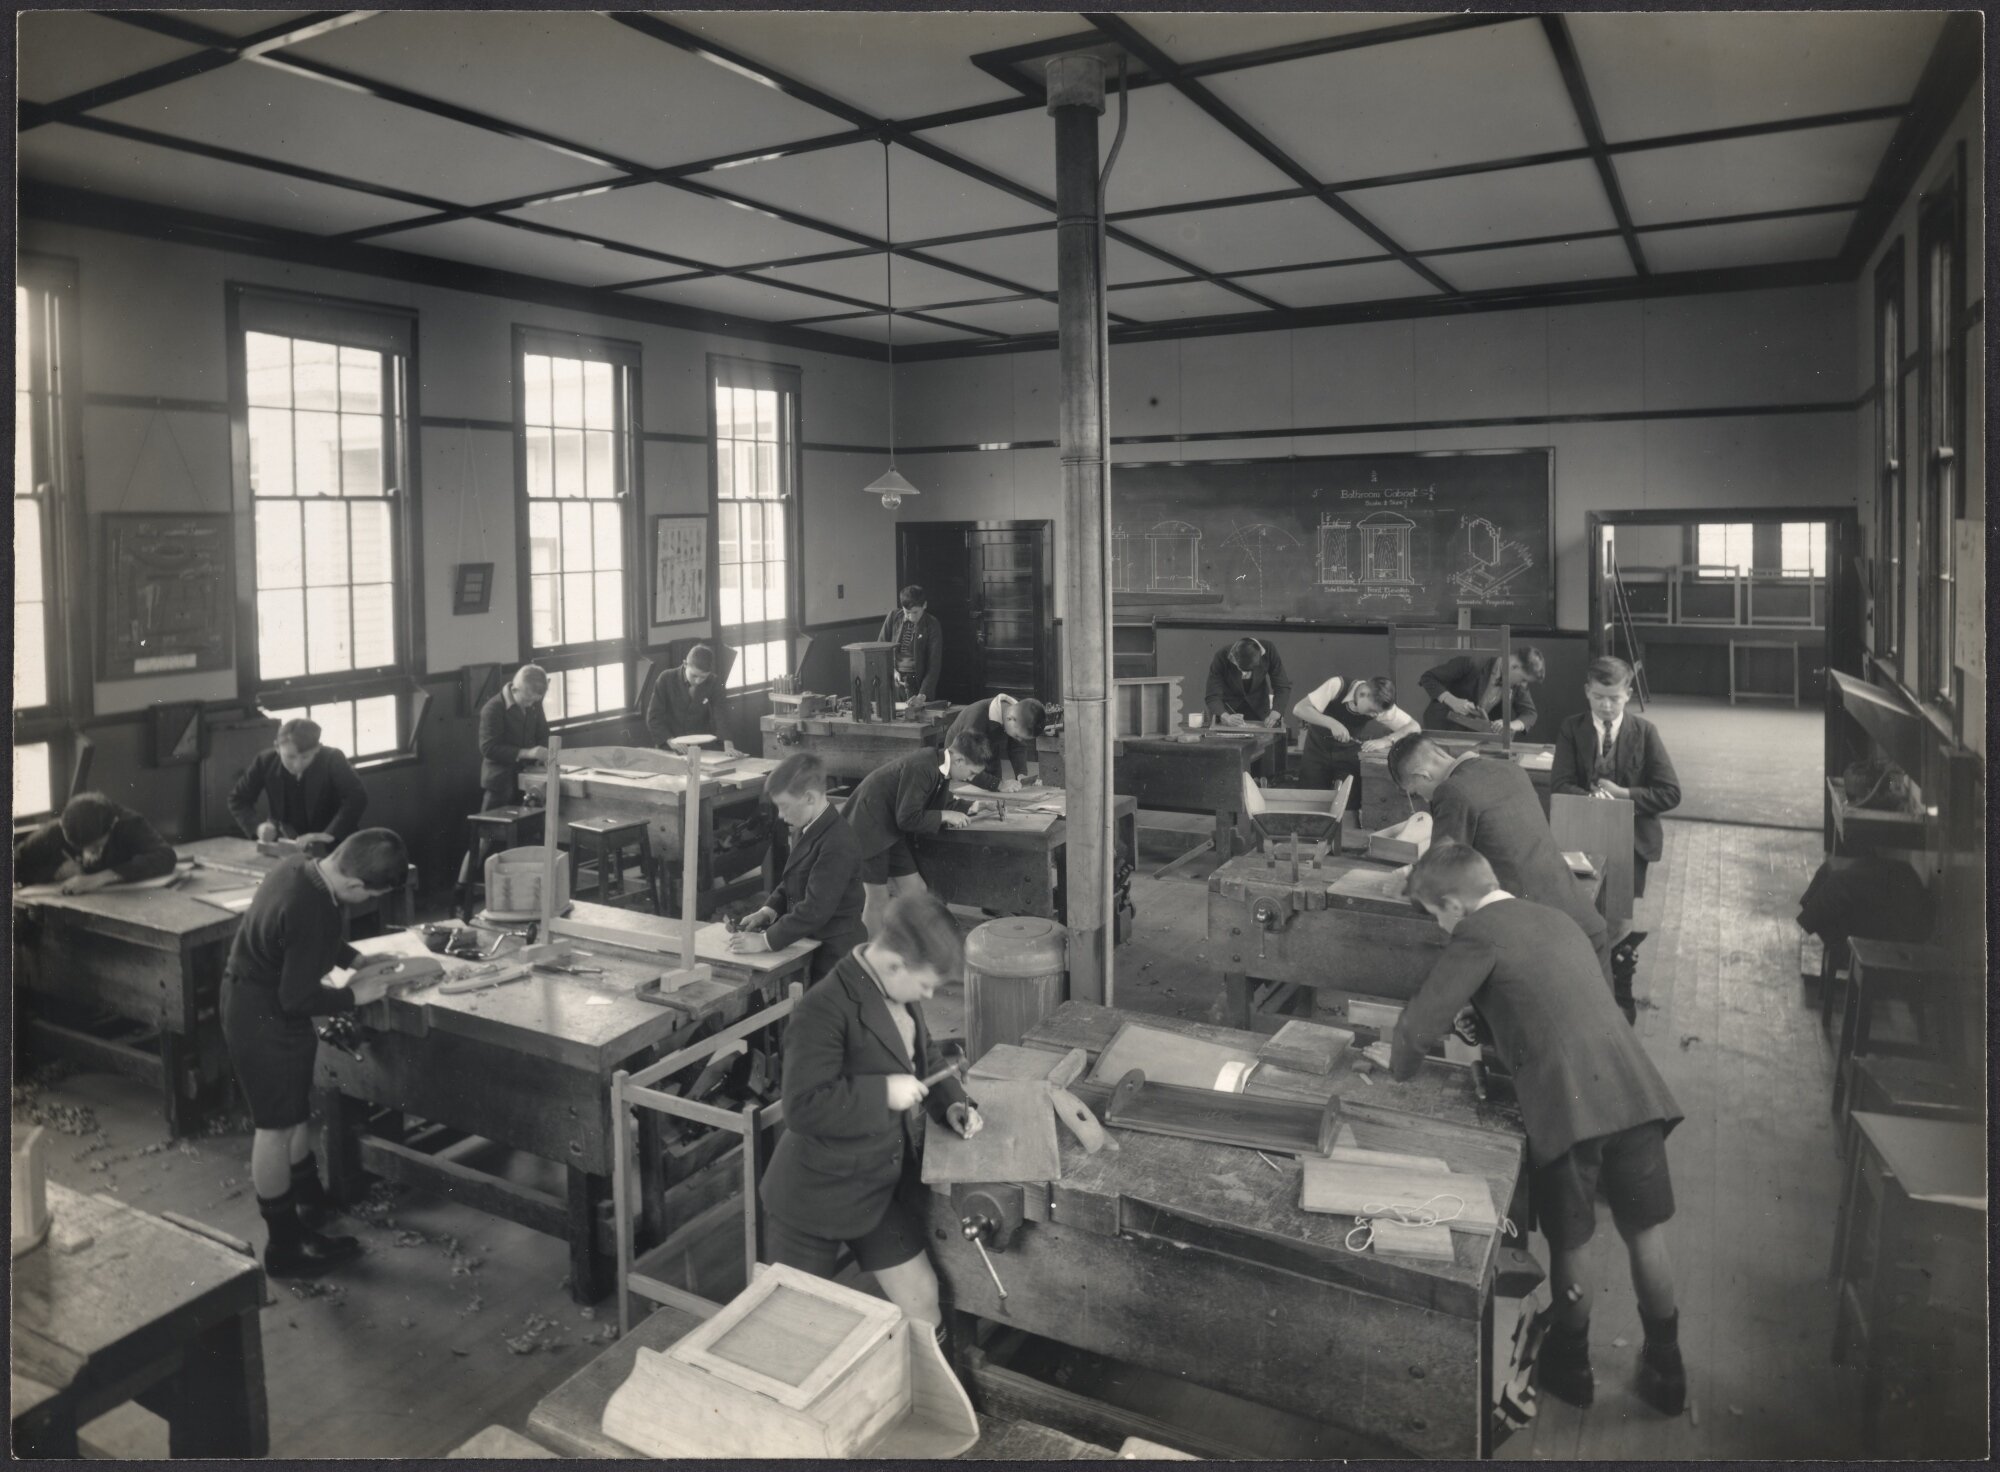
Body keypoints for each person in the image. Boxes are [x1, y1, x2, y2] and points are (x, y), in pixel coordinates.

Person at [1392, 842, 1685, 1415]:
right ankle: (1668, 1371)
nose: (1443, 929)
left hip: (1572, 1110)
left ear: (1455, 904)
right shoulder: (1554, 917)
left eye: (1437, 917)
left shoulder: (1478, 933)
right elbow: (1559, 1004)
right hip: (1634, 1091)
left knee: (1572, 1242)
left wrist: (1394, 1070)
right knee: (1644, 1232)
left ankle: (1571, 1367)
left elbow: (1418, 1026)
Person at [758, 891, 981, 1343]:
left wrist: (952, 1102)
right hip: (815, 1194)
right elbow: (802, 1105)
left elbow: (924, 1053)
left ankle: (935, 1406)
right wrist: (883, 1093)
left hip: (874, 1184)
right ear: (896, 963)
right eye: (926, 985)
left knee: (922, 1296)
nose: (930, 995)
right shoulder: (823, 1009)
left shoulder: (895, 989)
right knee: (791, 1328)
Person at [220, 829, 413, 1279]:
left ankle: (309, 1202)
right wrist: (355, 996)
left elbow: (301, 941)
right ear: (356, 886)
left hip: (254, 1002)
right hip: (266, 1019)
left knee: (293, 1116)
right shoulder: (315, 911)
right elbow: (297, 998)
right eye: (370, 898)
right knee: (275, 1128)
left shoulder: (299, 867)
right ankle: (285, 1247)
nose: (364, 904)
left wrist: (352, 961)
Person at [1387, 732, 1611, 980]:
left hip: (1547, 950)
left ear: (1423, 775)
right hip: (1584, 924)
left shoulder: (1453, 791)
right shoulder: (1509, 769)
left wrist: (1406, 884)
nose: (1424, 798)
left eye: (1417, 791)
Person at [1550, 658, 1683, 1022]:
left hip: (1631, 842)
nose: (1606, 706)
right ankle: (1586, 992)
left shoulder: (1645, 732)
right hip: (1581, 836)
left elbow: (1670, 793)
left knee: (1616, 920)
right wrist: (1594, 801)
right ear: (1586, 693)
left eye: (1613, 698)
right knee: (1583, 915)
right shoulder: (1571, 729)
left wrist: (1624, 794)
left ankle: (1616, 992)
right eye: (1597, 697)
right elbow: (1560, 784)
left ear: (1628, 694)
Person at [728, 753, 868, 980]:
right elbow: (795, 879)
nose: (781, 816)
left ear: (809, 798)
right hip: (811, 941)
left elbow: (815, 910)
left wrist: (765, 941)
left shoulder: (837, 842)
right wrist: (767, 911)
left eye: (784, 806)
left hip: (834, 954)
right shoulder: (812, 827)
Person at [844, 730, 988, 934]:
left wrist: (974, 805)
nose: (971, 778)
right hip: (868, 828)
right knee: (877, 898)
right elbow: (907, 818)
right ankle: (870, 957)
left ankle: (908, 940)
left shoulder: (941, 766)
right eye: (971, 773)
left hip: (890, 829)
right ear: (958, 759)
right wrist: (944, 816)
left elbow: (939, 801)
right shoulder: (923, 766)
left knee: (916, 891)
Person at [227, 717, 368, 852]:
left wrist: (328, 834)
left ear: (318, 748)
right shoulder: (264, 761)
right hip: (286, 846)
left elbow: (357, 797)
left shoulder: (332, 758)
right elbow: (238, 799)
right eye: (290, 757)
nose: (297, 764)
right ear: (277, 747)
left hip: (335, 845)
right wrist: (258, 827)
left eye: (306, 757)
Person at [1290, 673, 1418, 812]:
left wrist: (1386, 740)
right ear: (1363, 694)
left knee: (1349, 805)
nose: (1375, 715)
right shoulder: (1337, 685)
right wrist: (1332, 723)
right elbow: (1299, 708)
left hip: (1348, 755)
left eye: (1377, 713)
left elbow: (1414, 727)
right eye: (1372, 711)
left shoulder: (1379, 701)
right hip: (1317, 751)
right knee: (1309, 803)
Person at [14, 792, 177, 893]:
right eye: (80, 848)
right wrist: (53, 873)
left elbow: (166, 855)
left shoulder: (129, 823)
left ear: (112, 826)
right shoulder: (56, 831)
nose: (89, 854)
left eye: (96, 847)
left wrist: (101, 878)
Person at [1418, 646, 1546, 736]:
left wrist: (1511, 725)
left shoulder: (1518, 684)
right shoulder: (1472, 662)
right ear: (1514, 666)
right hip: (1442, 728)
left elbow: (1530, 713)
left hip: (1474, 738)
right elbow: (1428, 677)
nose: (1523, 684)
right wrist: (1452, 701)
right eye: (1523, 679)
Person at [478, 664, 552, 807]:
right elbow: (488, 748)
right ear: (514, 690)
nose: (531, 705)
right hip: (501, 782)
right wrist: (528, 753)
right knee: (493, 827)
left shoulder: (533, 702)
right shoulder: (493, 709)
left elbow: (543, 733)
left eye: (535, 701)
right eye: (527, 700)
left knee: (529, 825)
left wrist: (543, 756)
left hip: (529, 777)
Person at [944, 693, 1047, 792]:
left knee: (996, 794)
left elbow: (1017, 747)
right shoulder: (977, 718)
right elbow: (967, 765)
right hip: (959, 760)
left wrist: (1021, 774)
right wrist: (998, 784)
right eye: (1017, 736)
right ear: (1010, 719)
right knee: (977, 795)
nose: (1020, 740)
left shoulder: (1015, 710)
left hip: (989, 750)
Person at [645, 644, 723, 749]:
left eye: (703, 677)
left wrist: (727, 742)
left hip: (702, 745)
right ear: (685, 664)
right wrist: (669, 740)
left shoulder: (713, 681)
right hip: (670, 744)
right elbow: (654, 717)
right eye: (694, 675)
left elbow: (722, 713)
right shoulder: (666, 678)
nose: (698, 681)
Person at [1204, 637, 1290, 728]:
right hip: (1228, 710)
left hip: (1259, 709)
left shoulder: (1269, 649)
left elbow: (1282, 686)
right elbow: (1212, 695)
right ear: (1232, 657)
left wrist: (1275, 713)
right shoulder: (1221, 656)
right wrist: (1225, 716)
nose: (1245, 674)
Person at [878, 585, 943, 704]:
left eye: (915, 612)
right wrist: (892, 671)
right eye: (907, 612)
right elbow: (880, 649)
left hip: (918, 683)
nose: (911, 617)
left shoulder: (932, 624)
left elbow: (934, 665)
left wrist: (922, 695)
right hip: (894, 680)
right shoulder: (893, 617)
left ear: (924, 605)